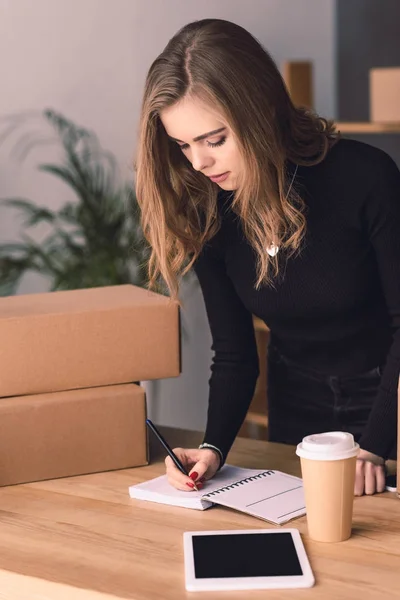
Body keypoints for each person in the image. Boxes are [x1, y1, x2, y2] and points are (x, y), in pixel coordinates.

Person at [135, 18, 399, 497]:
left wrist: (376, 444)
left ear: (257, 111)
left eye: (215, 140)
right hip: (295, 401)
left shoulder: (366, 178)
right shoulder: (210, 211)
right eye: (183, 145)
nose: (199, 163)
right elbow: (235, 353)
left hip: (389, 398)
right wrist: (212, 448)